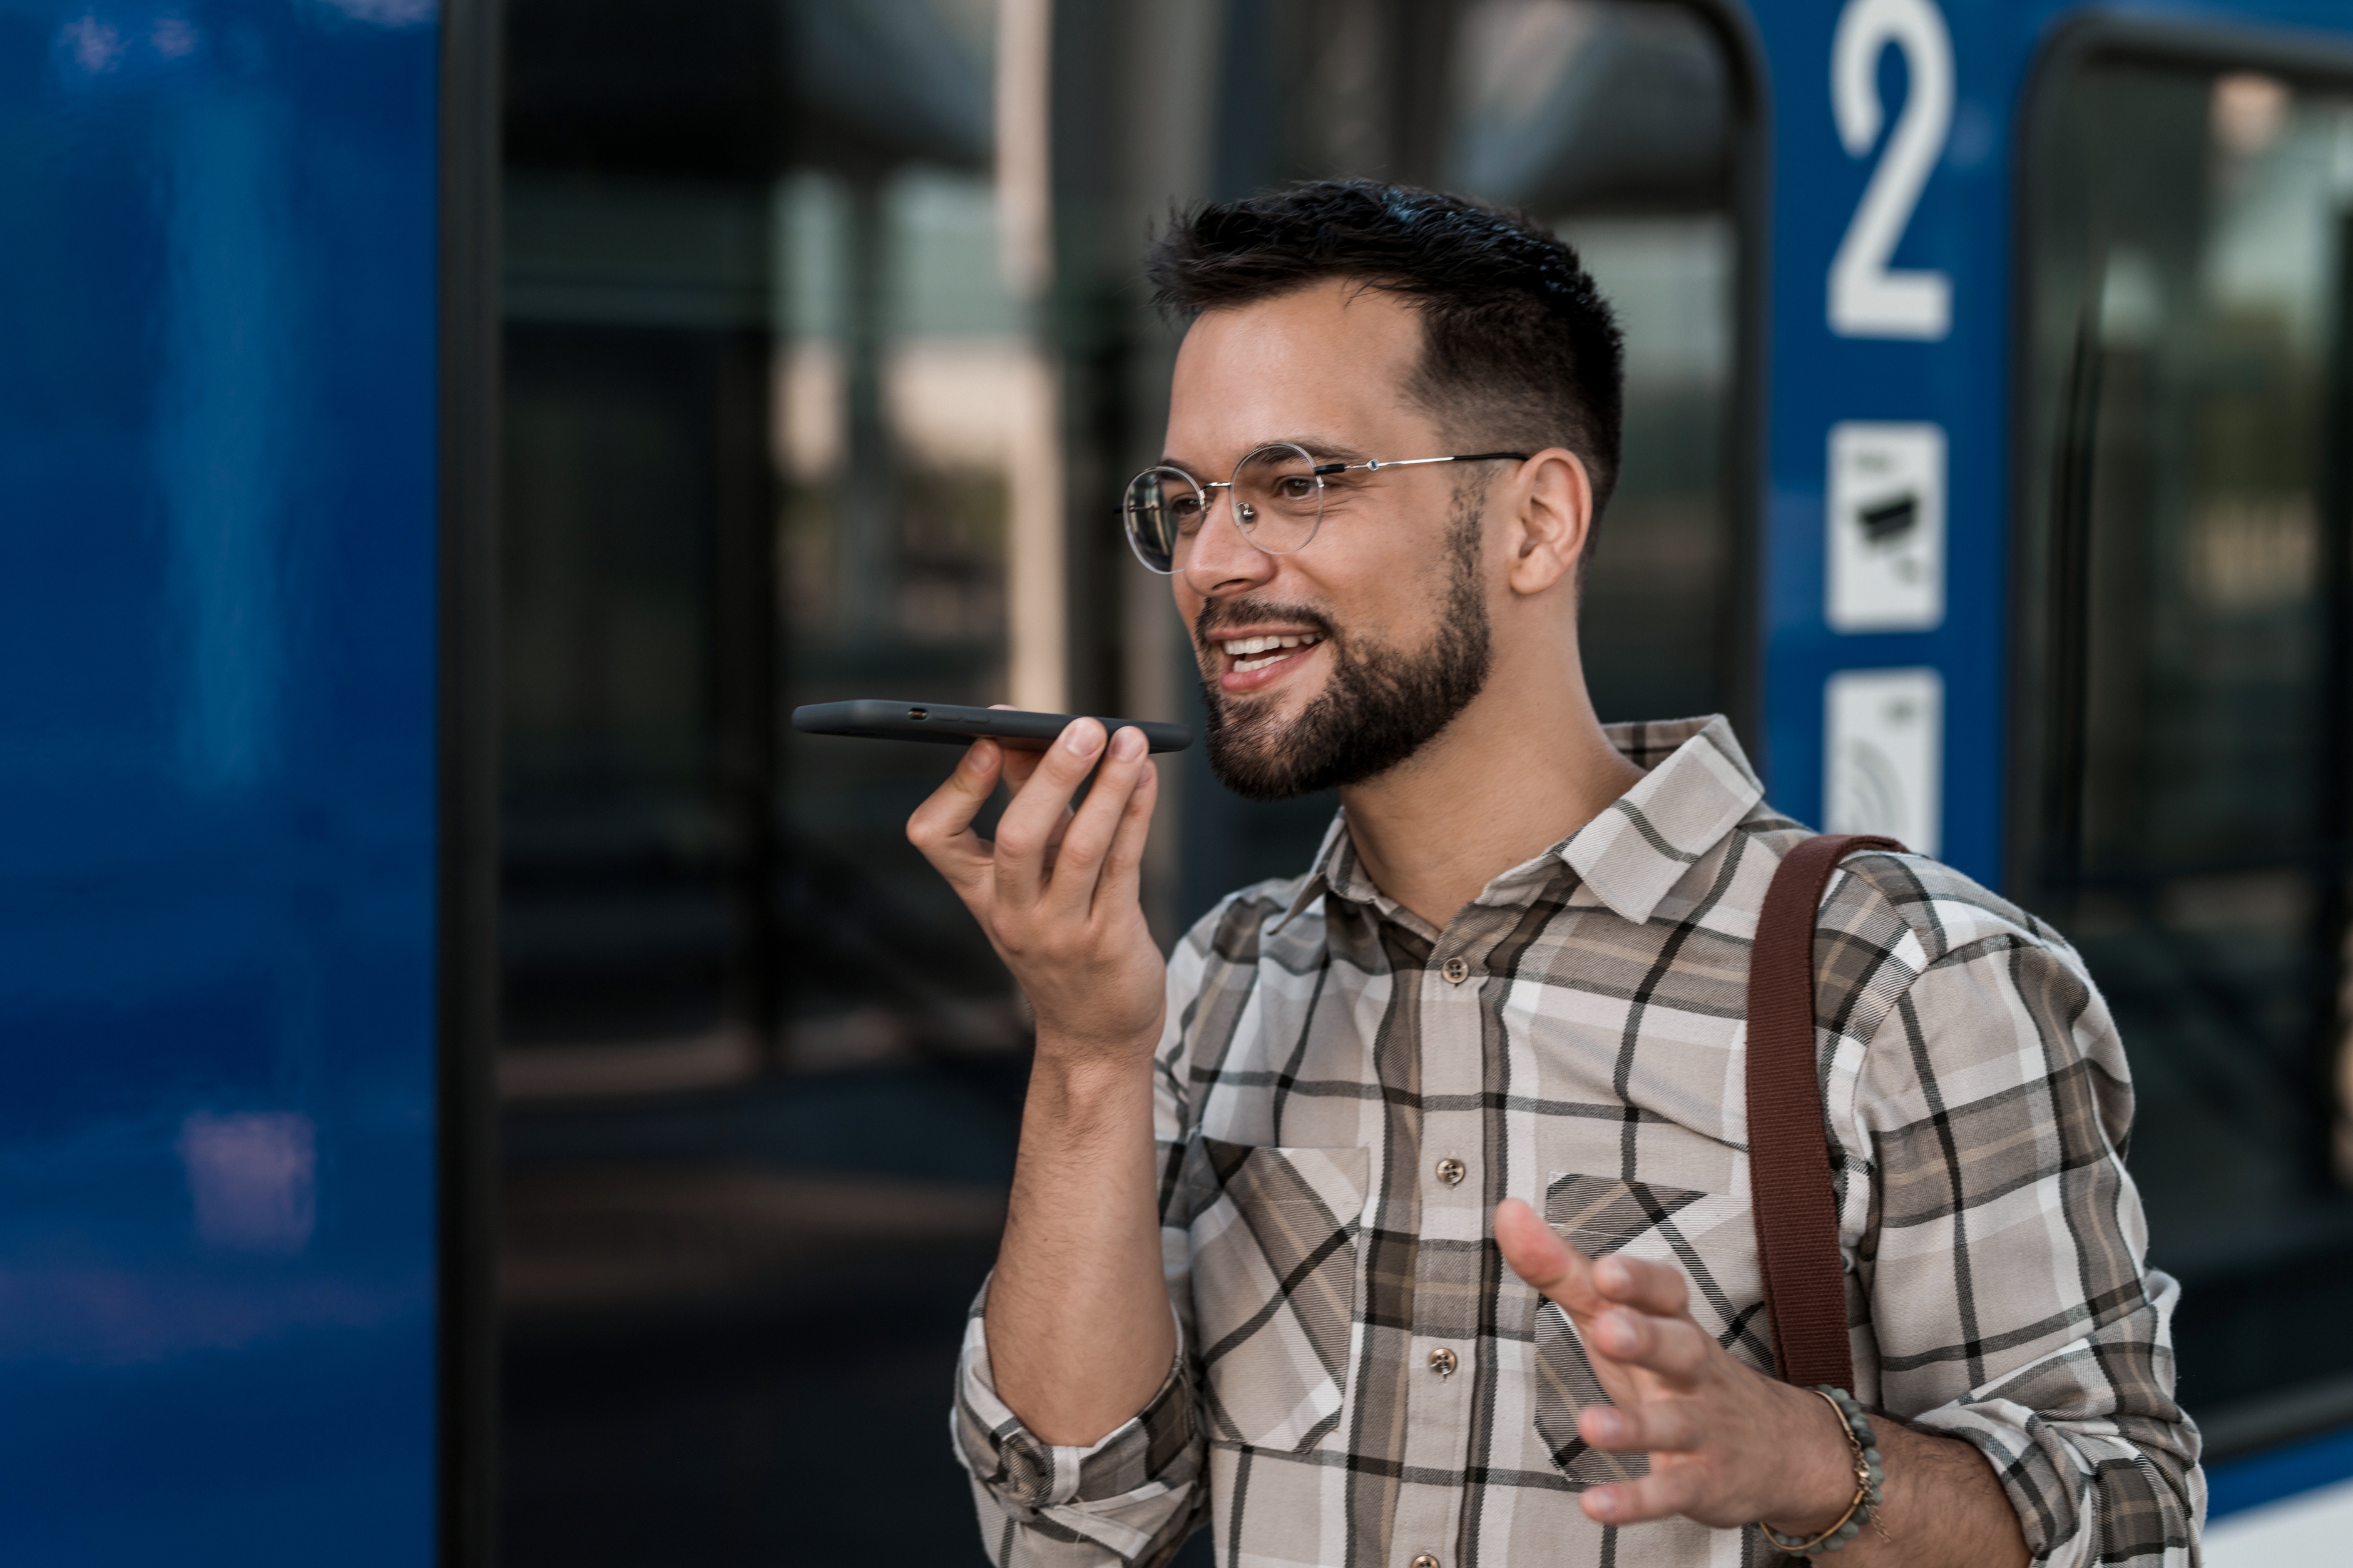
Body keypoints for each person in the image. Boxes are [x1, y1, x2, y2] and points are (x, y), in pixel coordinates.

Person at [909, 181, 2200, 1568]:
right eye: (1185, 499)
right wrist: (1090, 1056)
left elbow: (2131, 1521)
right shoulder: (1215, 981)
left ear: (1534, 523)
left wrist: (1802, 1458)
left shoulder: (1907, 985)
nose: (1213, 561)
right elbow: (1065, 1538)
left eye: (1293, 483)